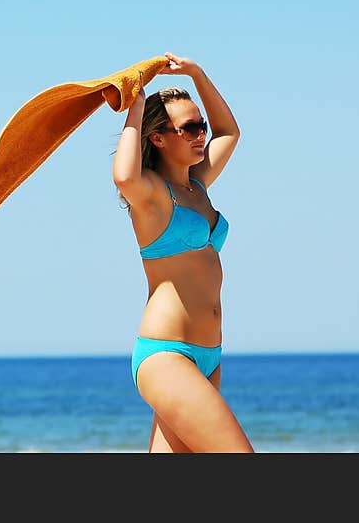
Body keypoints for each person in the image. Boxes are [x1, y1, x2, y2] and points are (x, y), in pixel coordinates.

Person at [112, 51, 254, 452]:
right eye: (189, 128)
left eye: (200, 126)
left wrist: (197, 74)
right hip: (167, 354)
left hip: (209, 354)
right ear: (158, 137)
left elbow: (229, 133)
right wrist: (136, 108)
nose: (201, 135)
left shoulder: (198, 185)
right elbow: (124, 175)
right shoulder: (153, 195)